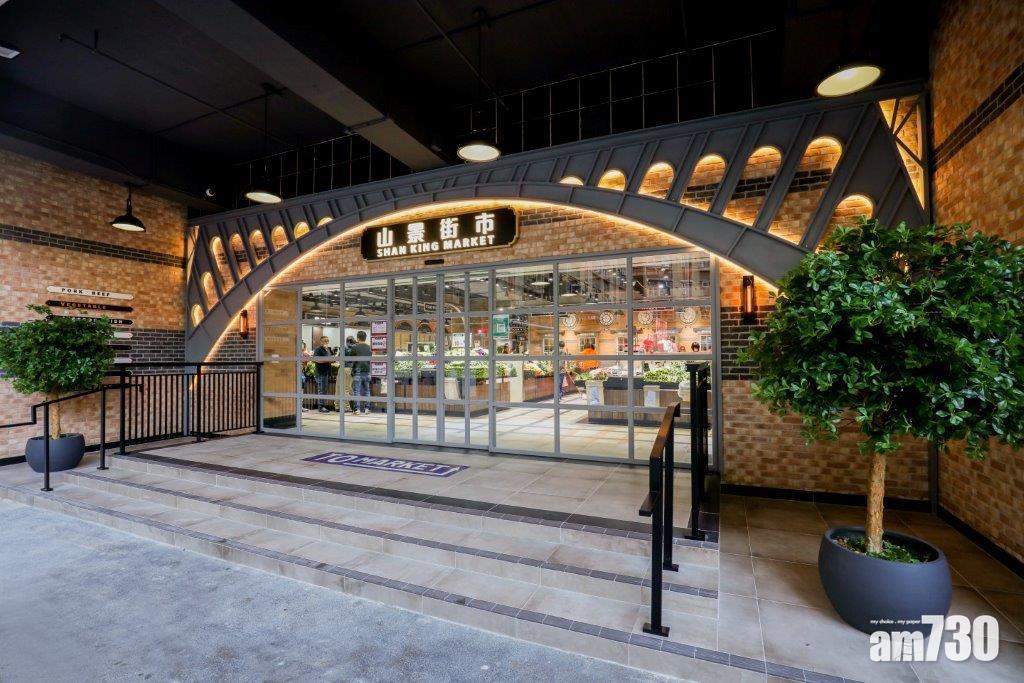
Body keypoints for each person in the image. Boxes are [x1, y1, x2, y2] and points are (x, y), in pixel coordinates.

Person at [348, 330, 372, 414]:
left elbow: (350, 359)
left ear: (358, 338)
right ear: (365, 338)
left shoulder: (355, 347)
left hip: (358, 371)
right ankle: (367, 408)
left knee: (357, 391)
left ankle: (357, 409)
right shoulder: (369, 347)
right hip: (367, 371)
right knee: (367, 390)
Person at [313, 336, 334, 413]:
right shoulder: (318, 349)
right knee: (321, 390)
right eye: (325, 341)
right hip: (320, 372)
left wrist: (332, 360)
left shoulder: (328, 349)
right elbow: (317, 360)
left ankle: (323, 406)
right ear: (321, 342)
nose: (326, 342)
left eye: (327, 341)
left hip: (326, 372)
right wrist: (328, 360)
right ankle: (320, 407)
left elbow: (331, 358)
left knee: (324, 390)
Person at [343, 336, 356, 412]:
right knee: (351, 388)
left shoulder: (345, 348)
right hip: (353, 369)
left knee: (346, 389)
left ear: (347, 341)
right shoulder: (356, 348)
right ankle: (354, 406)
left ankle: (347, 407)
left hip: (346, 368)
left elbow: (339, 357)